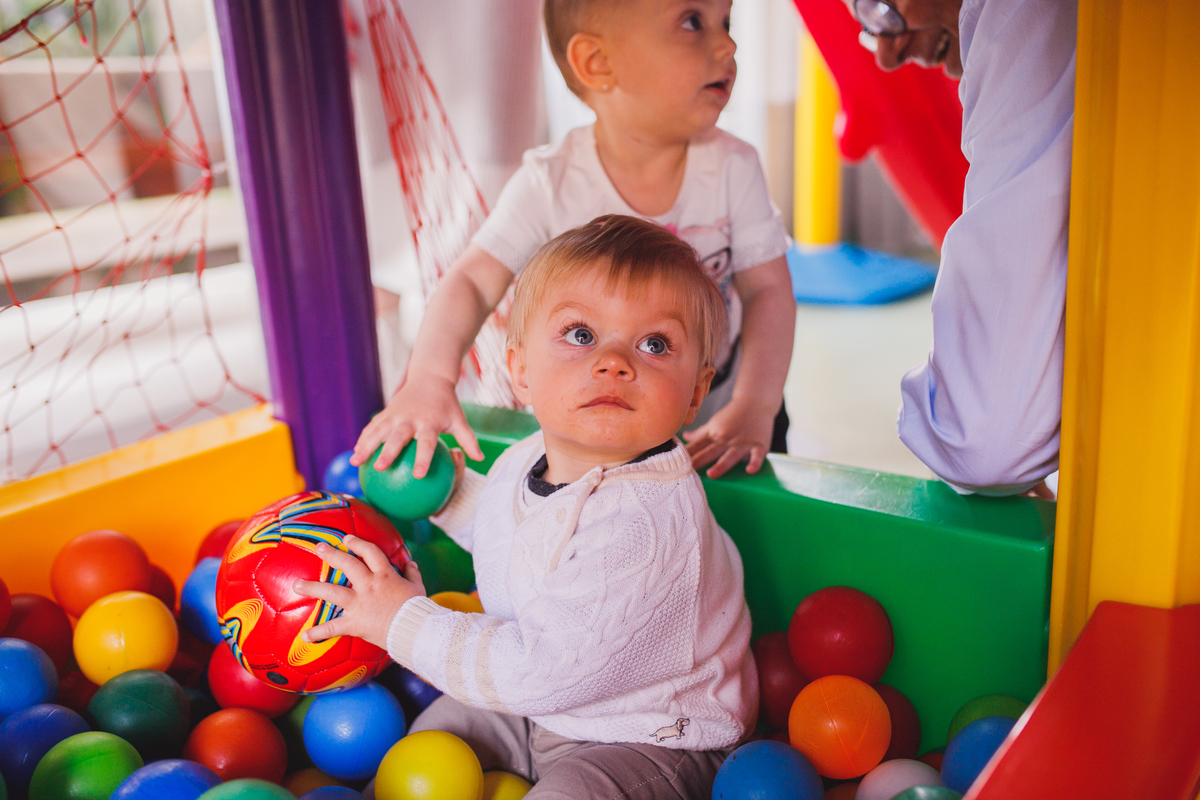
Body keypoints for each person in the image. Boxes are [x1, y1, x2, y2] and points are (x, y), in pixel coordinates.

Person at [296, 217, 757, 799]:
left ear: (695, 393)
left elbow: (543, 669)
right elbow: (517, 534)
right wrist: (449, 497)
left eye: (655, 345)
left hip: (650, 733)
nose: (615, 361)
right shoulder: (529, 456)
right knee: (426, 749)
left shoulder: (644, 525)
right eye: (581, 335)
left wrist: (401, 621)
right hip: (536, 702)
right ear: (519, 372)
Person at [352, 0, 795, 482]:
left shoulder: (733, 167)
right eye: (692, 22)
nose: (728, 44)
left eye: (725, 22)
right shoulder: (550, 182)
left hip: (722, 416)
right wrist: (430, 379)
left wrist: (757, 405)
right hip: (597, 419)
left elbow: (767, 291)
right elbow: (473, 282)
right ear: (597, 62)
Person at [849, 0, 1076, 496]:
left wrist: (935, 413)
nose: (887, 53)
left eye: (881, 8)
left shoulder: (1017, 13)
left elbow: (986, 443)